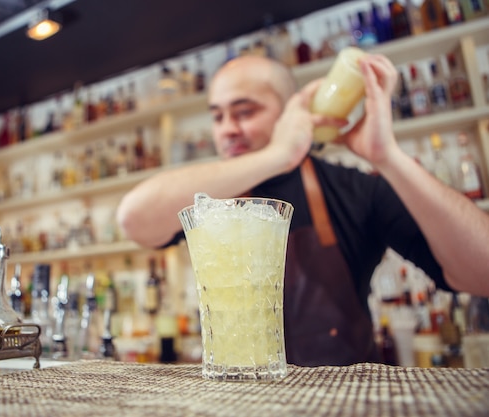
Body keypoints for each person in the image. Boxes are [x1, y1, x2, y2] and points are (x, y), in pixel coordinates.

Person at [116, 53, 489, 366]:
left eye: (244, 112)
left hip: (345, 400)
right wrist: (277, 156)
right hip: (237, 400)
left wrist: (387, 157)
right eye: (217, 116)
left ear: (292, 111)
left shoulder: (353, 189)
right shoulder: (213, 201)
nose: (227, 129)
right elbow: (134, 220)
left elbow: (482, 274)